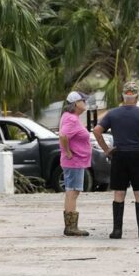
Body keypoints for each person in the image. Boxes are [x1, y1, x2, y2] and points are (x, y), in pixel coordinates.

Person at [93, 81, 139, 239]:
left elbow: (97, 130)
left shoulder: (112, 113)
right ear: (137, 96)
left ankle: (117, 231)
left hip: (119, 155)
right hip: (138, 155)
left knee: (119, 192)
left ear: (123, 96)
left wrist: (106, 149)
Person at [59, 91, 91, 236]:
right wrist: (68, 152)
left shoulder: (70, 117)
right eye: (83, 100)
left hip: (75, 161)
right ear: (76, 103)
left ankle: (70, 226)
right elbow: (63, 135)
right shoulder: (71, 119)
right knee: (73, 192)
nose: (85, 103)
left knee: (71, 191)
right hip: (74, 161)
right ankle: (71, 227)